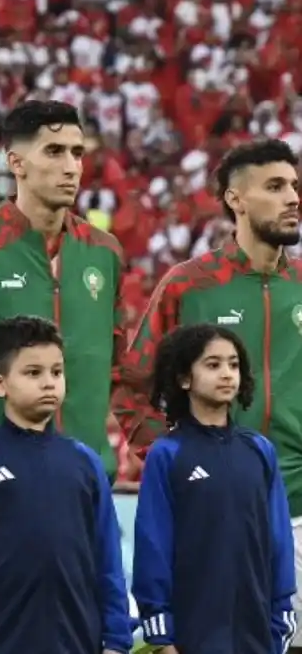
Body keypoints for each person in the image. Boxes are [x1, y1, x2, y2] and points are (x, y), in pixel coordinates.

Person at [112, 138, 302, 651]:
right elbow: (131, 386)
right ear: (235, 199)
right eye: (275, 186)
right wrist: (178, 463)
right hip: (214, 515)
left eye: (294, 185)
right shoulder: (188, 285)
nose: (293, 197)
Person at [0, 99, 129, 479]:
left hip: (83, 478)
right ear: (17, 164)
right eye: (54, 151)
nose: (71, 167)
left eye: (77, 153)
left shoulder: (104, 253)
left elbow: (114, 365)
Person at [0, 315, 132, 654]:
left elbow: (108, 560)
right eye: (33, 373)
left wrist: (118, 639)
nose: (49, 382)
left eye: (57, 371)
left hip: (77, 641)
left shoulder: (86, 463)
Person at [132, 323, 296, 653]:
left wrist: (279, 619)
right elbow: (154, 546)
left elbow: (279, 540)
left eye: (233, 364)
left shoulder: (259, 450)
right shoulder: (167, 455)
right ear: (184, 378)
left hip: (257, 633)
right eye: (213, 364)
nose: (226, 374)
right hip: (194, 633)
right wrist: (163, 637)